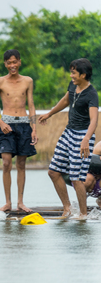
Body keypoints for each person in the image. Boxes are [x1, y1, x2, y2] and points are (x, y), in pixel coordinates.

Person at [38, 58, 99, 219]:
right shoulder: (73, 86)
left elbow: (94, 120)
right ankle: (67, 209)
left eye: (74, 72)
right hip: (68, 132)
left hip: (83, 136)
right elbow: (66, 100)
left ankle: (83, 214)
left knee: (76, 177)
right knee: (53, 172)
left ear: (83, 75)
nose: (71, 75)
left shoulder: (92, 94)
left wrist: (86, 139)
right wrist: (49, 113)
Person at [0, 49, 38, 213]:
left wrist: (34, 129)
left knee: (21, 164)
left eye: (15, 62)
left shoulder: (28, 81)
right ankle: (7, 202)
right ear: (5, 64)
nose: (12, 65)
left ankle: (20, 202)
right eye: (9, 62)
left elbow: (31, 105)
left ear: (20, 62)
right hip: (6, 125)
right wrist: (1, 122)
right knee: (6, 163)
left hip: (24, 124)